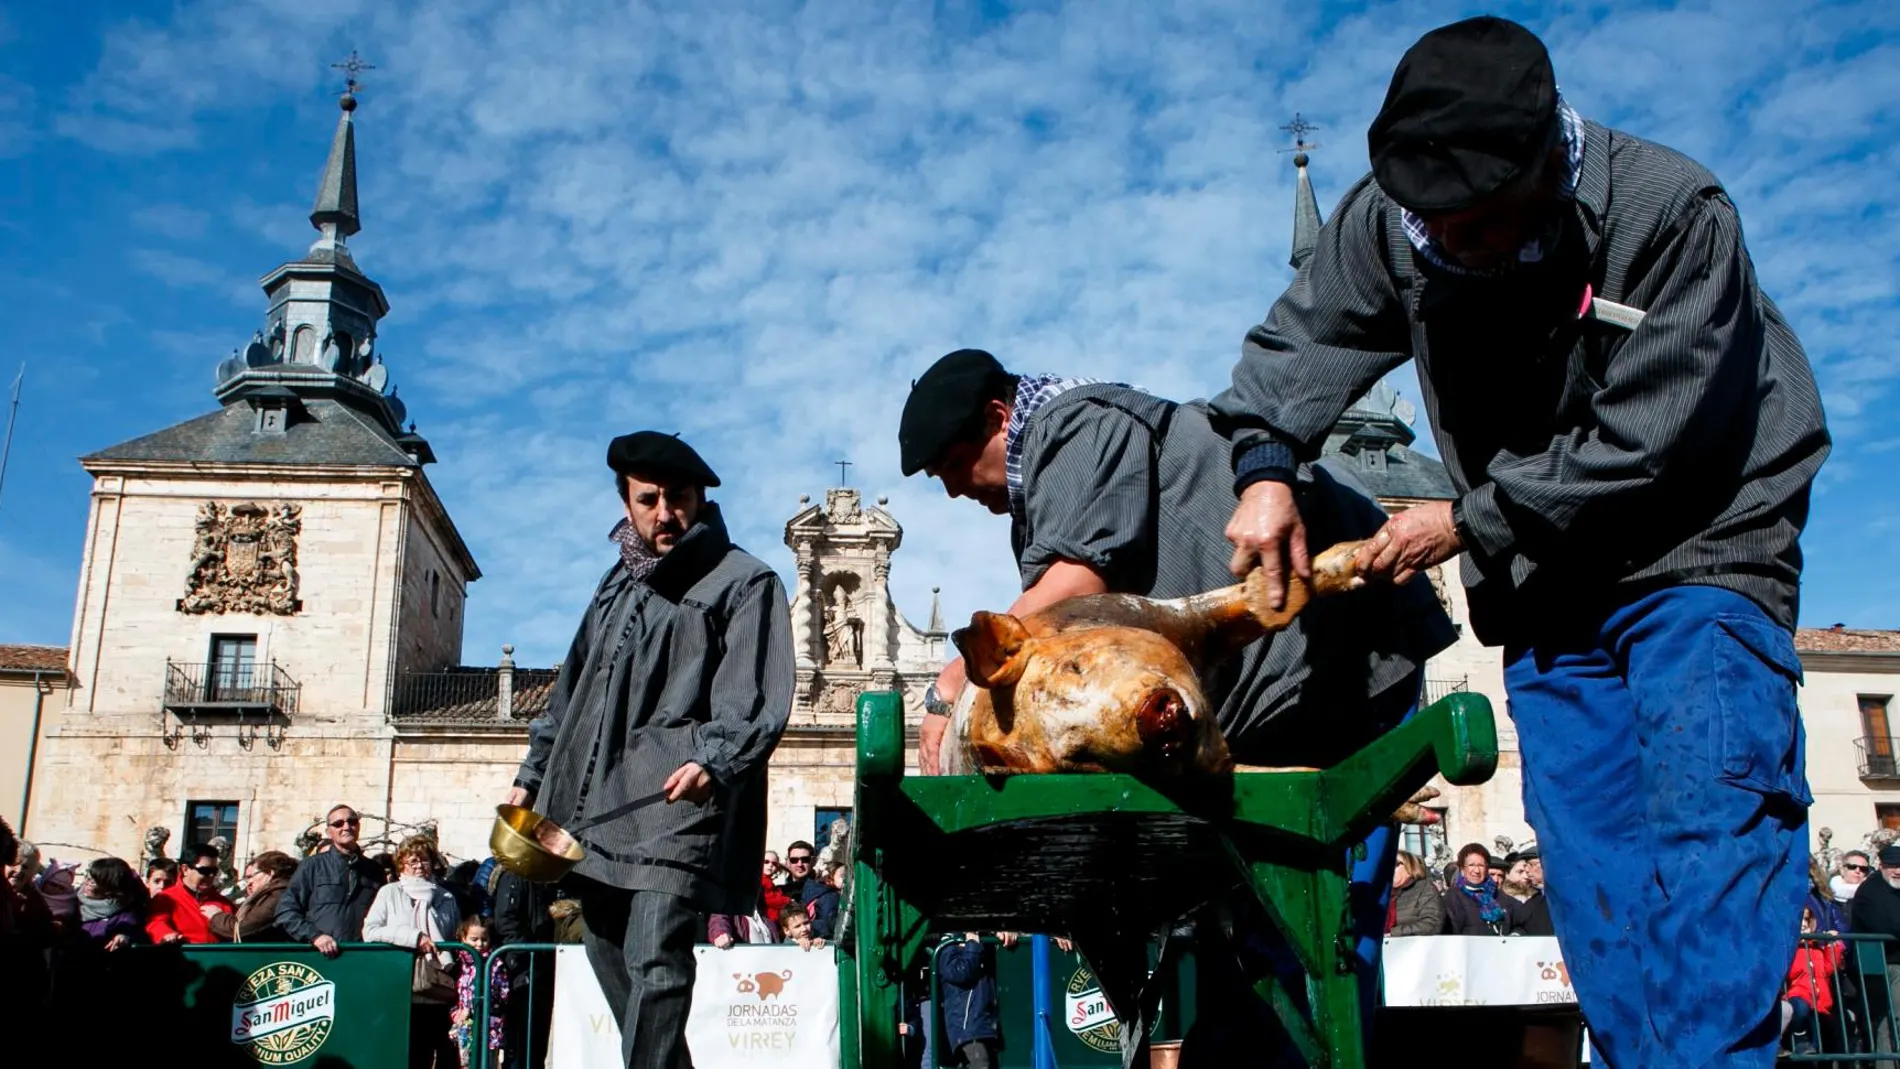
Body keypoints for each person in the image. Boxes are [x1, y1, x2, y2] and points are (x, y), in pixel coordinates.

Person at [1212, 16, 1826, 1066]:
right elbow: (1300, 341)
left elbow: (1648, 437)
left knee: (1710, 820)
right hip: (1544, 581)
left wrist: (1464, 519)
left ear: (1551, 161)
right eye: (1428, 225)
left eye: (1479, 225)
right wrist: (1265, 467)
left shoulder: (1672, 212)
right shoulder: (1395, 224)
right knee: (1595, 874)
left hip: (1699, 541)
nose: (1447, 246)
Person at [897, 349, 1456, 1037]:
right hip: (1264, 697)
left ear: (998, 417)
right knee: (1252, 937)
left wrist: (950, 685)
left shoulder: (1073, 426)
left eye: (953, 465)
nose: (954, 490)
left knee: (1320, 926)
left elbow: (1075, 588)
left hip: (1343, 658)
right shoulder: (1041, 486)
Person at [503, 431, 795, 1069]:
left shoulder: (745, 581)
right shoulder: (615, 583)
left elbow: (757, 695)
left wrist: (715, 760)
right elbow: (569, 687)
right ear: (626, 503)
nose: (666, 513)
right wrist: (533, 772)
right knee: (606, 946)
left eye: (680, 497)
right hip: (597, 797)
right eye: (649, 499)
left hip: (677, 796)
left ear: (701, 497)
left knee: (656, 957)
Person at [364, 835, 462, 1069]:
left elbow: (455, 934)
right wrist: (414, 937)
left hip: (436, 984)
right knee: (407, 1051)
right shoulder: (390, 892)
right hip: (399, 981)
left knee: (438, 1049)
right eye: (412, 862)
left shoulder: (445, 896)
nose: (419, 866)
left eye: (424, 860)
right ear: (401, 866)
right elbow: (370, 931)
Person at [278, 804, 385, 958]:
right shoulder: (312, 866)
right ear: (329, 832)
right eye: (338, 824)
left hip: (362, 956)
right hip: (319, 958)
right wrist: (315, 936)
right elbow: (286, 911)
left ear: (358, 826)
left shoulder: (375, 870)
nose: (346, 827)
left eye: (352, 821)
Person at [144, 843, 233, 945]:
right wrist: (166, 934)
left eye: (214, 871)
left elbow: (240, 929)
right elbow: (156, 923)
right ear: (185, 869)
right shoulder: (166, 898)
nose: (211, 876)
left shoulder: (224, 903)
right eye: (205, 870)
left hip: (219, 958)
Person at [938, 933, 1002, 1069]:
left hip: (984, 1023)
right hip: (967, 1025)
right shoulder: (949, 943)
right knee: (980, 1064)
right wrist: (972, 945)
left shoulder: (980, 938)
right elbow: (958, 973)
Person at [452, 916, 508, 1069]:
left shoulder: (494, 962)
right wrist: (458, 1012)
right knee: (466, 1062)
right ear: (463, 938)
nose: (479, 944)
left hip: (489, 1024)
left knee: (487, 1061)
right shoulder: (461, 962)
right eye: (474, 939)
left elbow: (501, 992)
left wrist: (471, 1007)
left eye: (484, 939)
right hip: (466, 1024)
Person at [208, 851, 297, 943]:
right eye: (246, 878)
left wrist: (216, 916)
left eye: (251, 876)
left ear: (270, 873)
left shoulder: (277, 896)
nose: (248, 882)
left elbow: (242, 930)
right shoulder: (274, 893)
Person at [1442, 844, 1528, 936]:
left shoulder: (1499, 896)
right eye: (1471, 865)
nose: (1477, 870)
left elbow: (1521, 923)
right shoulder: (1453, 897)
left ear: (1486, 869)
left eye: (1481, 865)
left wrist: (1516, 934)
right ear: (1462, 869)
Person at [75, 857, 148, 951]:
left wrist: (124, 937)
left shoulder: (126, 914)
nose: (87, 883)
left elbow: (134, 931)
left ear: (110, 889)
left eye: (93, 882)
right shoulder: (72, 899)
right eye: (88, 877)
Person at [1386, 850, 1445, 937]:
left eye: (1394, 863)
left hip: (1412, 948)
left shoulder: (1425, 888)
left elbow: (1432, 924)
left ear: (1409, 866)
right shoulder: (1381, 894)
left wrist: (1393, 933)